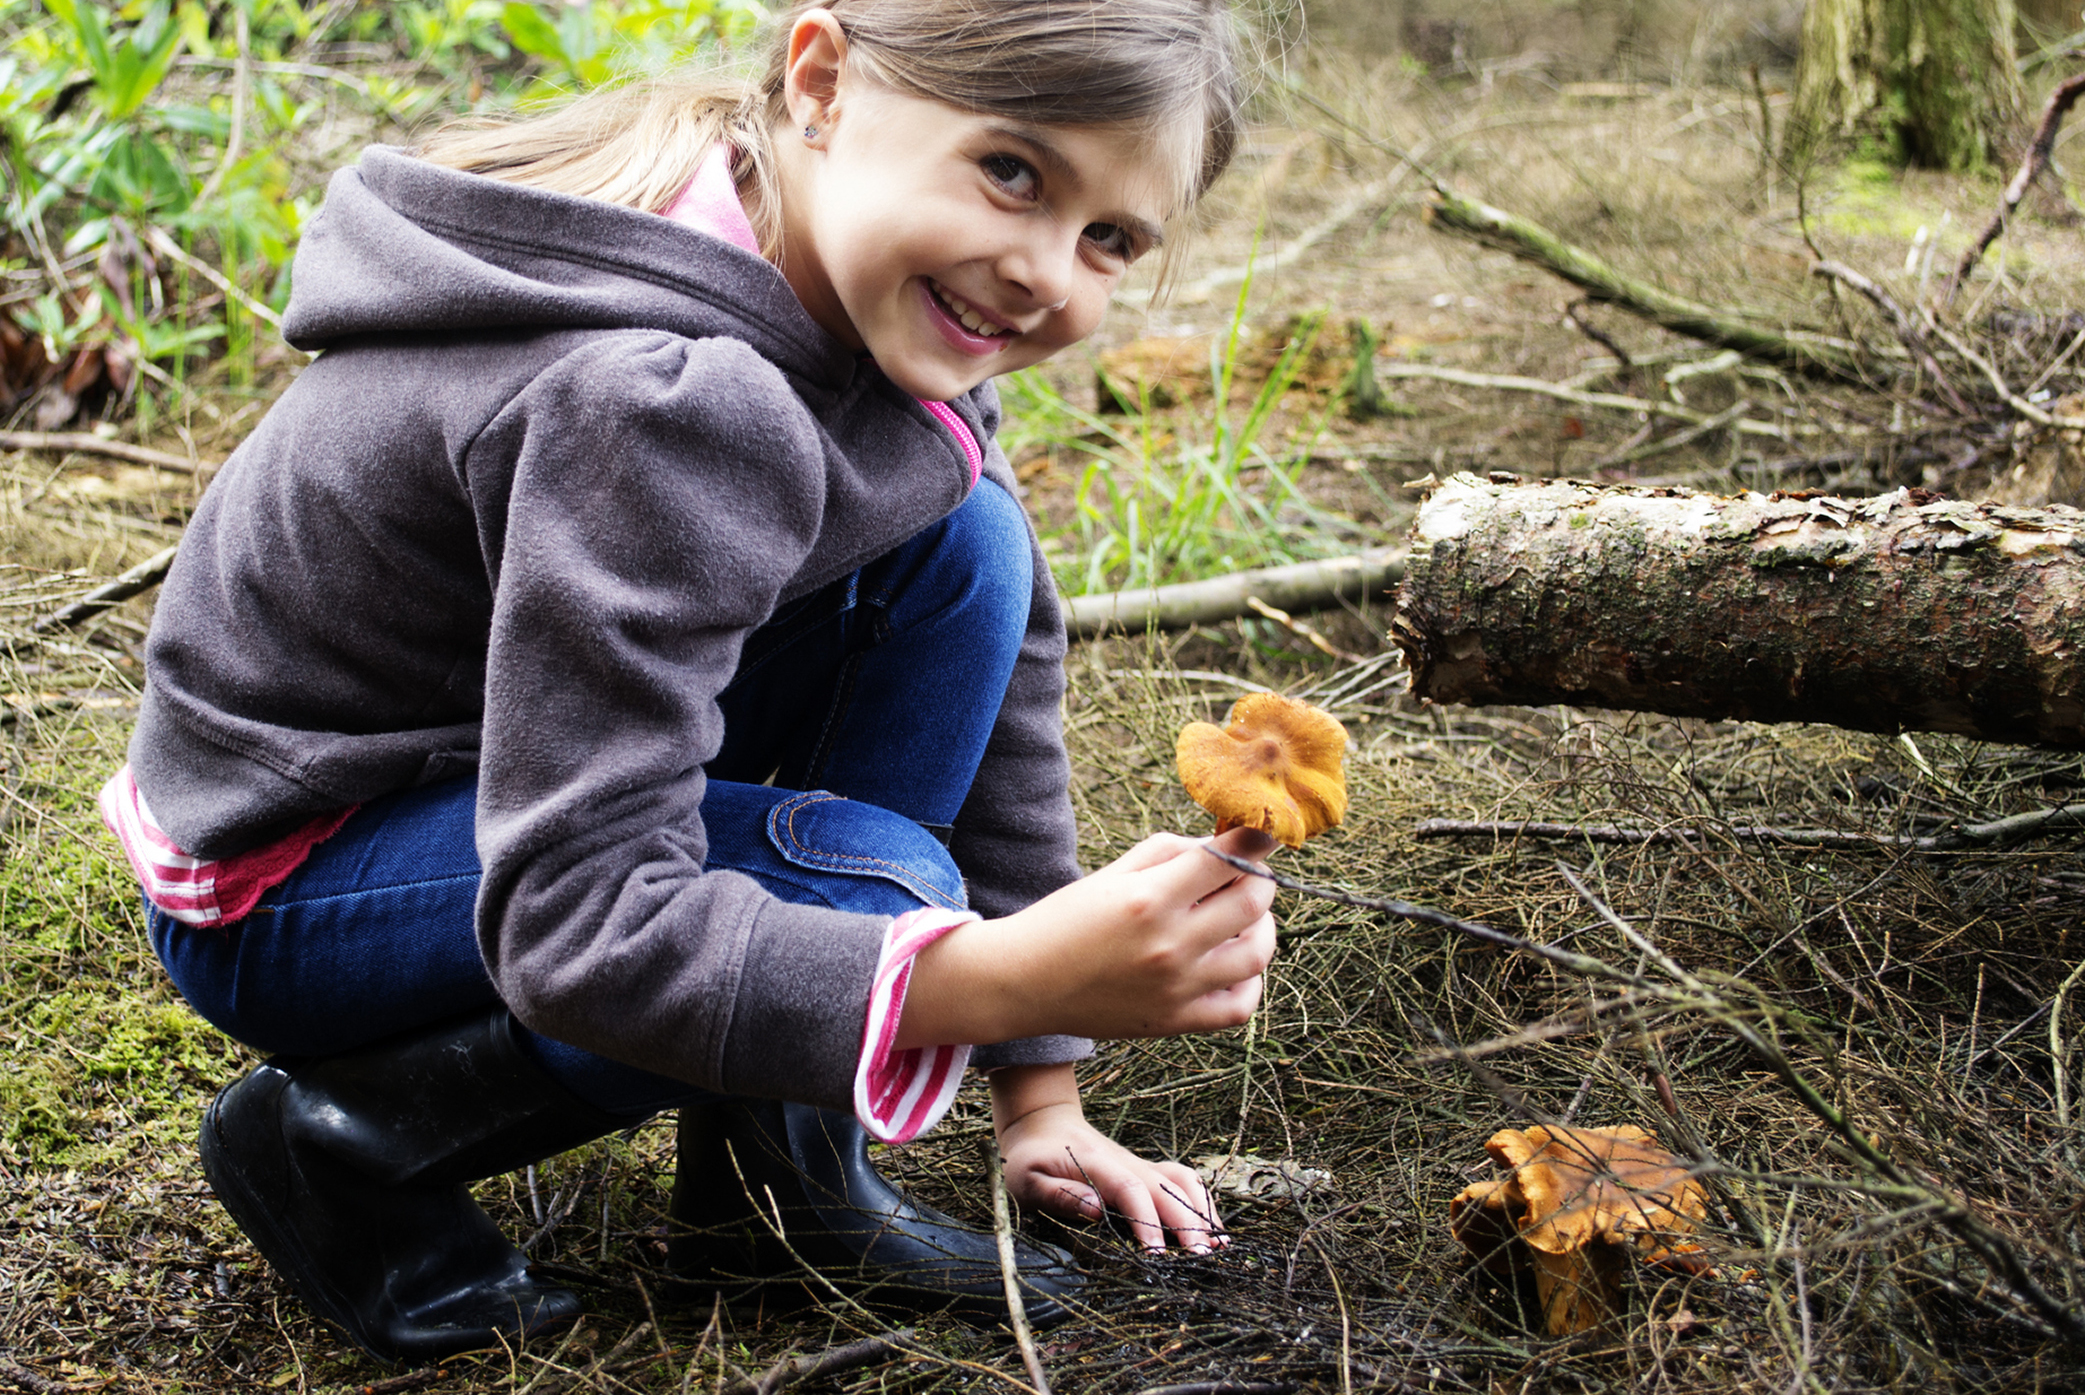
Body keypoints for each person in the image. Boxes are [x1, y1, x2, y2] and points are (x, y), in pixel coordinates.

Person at [101, 0, 1280, 1365]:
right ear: (823, 79)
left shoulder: (872, 288)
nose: (1040, 271)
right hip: (294, 869)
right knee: (877, 890)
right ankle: (347, 1144)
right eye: (1011, 171)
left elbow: (1000, 664)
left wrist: (1042, 1091)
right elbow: (583, 922)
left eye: (1108, 239)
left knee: (961, 543)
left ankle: (777, 1183)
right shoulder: (656, 397)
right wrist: (987, 978)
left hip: (492, 762)